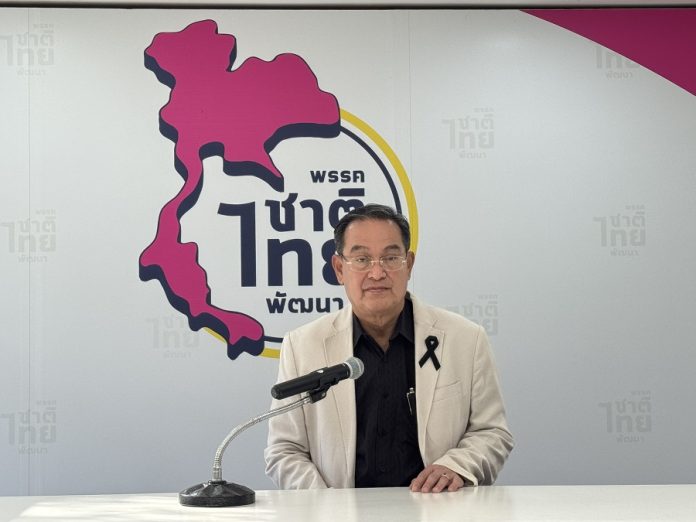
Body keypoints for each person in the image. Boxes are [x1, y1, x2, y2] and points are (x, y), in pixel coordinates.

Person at [265, 204, 513, 492]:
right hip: (340, 510)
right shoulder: (303, 346)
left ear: (409, 265)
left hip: (437, 507)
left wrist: (456, 466)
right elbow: (284, 450)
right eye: (361, 259)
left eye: (391, 258)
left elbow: (492, 432)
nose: (377, 272)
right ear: (339, 269)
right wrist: (327, 504)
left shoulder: (465, 339)